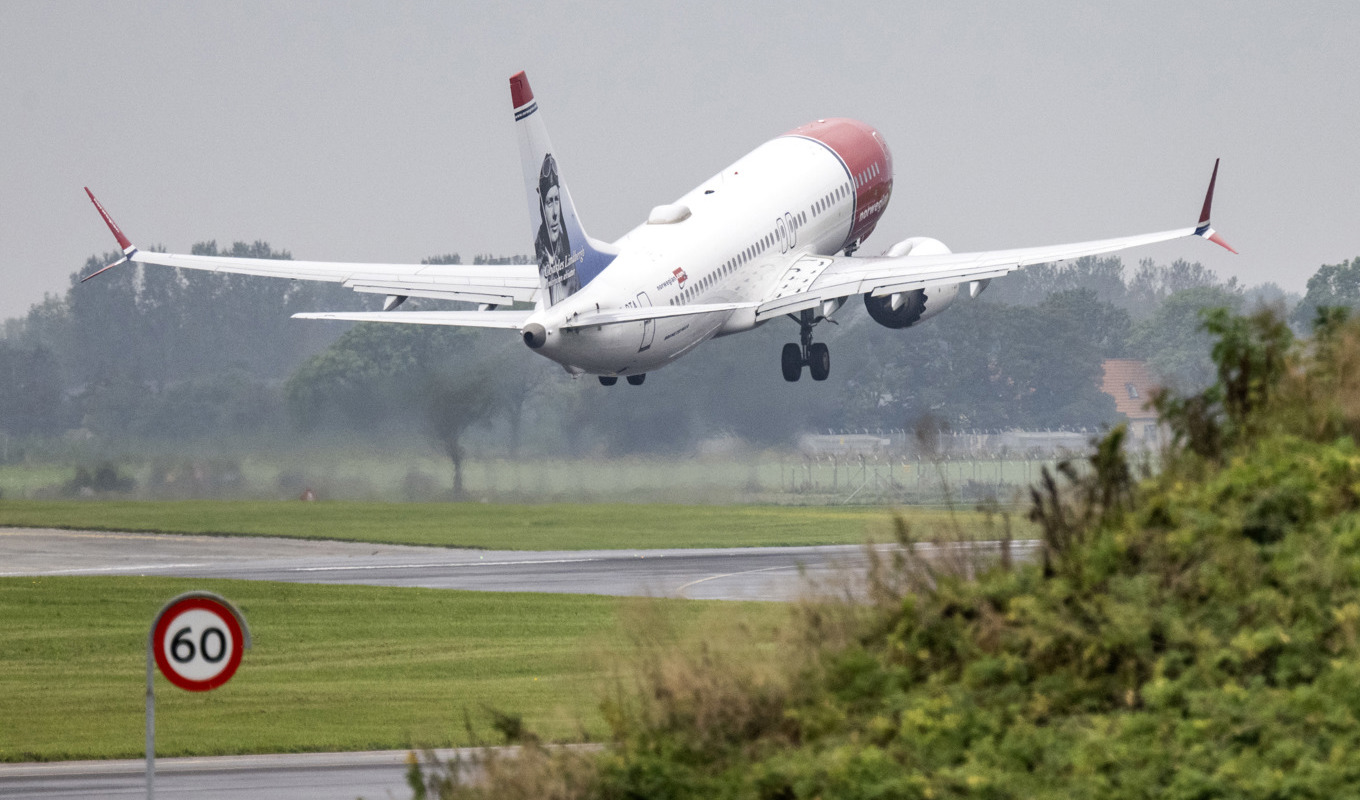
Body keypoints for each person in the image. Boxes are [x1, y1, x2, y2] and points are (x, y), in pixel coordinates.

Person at [533, 153, 577, 305]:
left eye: (556, 200)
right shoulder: (541, 258)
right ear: (542, 208)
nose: (555, 214)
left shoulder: (570, 255)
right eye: (549, 202)